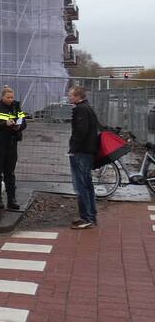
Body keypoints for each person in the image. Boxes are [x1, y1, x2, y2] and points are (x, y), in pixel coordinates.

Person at [0, 86, 28, 210]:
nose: (10, 99)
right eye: (8, 97)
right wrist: (5, 123)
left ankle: (11, 199)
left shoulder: (16, 107)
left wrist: (18, 127)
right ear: (2, 97)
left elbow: (23, 122)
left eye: (12, 97)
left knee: (10, 173)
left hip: (11, 144)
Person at [67, 84, 99, 229]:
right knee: (87, 184)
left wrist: (73, 149)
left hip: (81, 152)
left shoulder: (80, 109)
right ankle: (91, 215)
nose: (69, 97)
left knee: (81, 185)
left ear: (77, 96)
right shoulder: (88, 108)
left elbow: (81, 131)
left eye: (71, 95)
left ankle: (86, 218)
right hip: (88, 151)